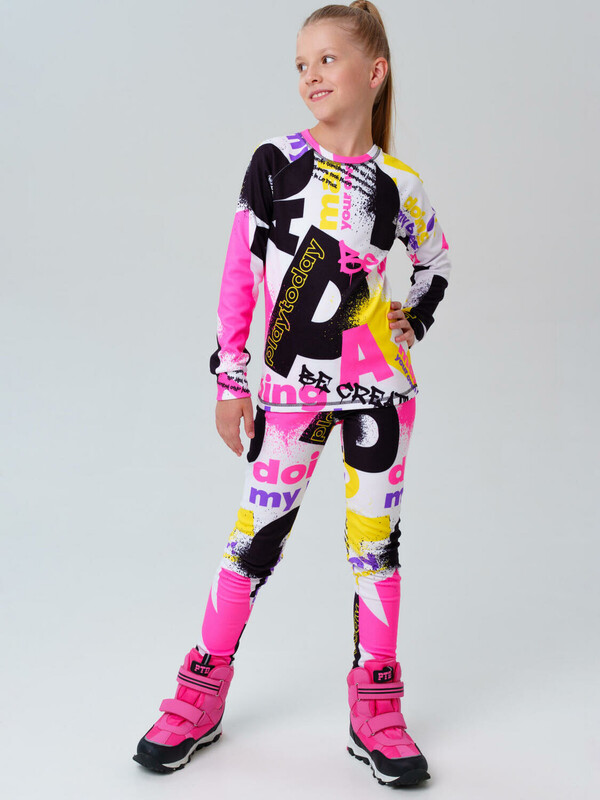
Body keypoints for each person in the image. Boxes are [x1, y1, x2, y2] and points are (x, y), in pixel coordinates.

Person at [133, 1, 451, 788]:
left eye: (327, 60)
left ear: (374, 72)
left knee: (375, 549)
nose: (310, 75)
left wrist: (411, 320)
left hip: (380, 398)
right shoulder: (274, 163)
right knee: (253, 541)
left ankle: (376, 709)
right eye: (301, 64)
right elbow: (239, 274)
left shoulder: (400, 185)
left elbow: (437, 263)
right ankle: (198, 694)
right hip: (290, 397)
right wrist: (231, 378)